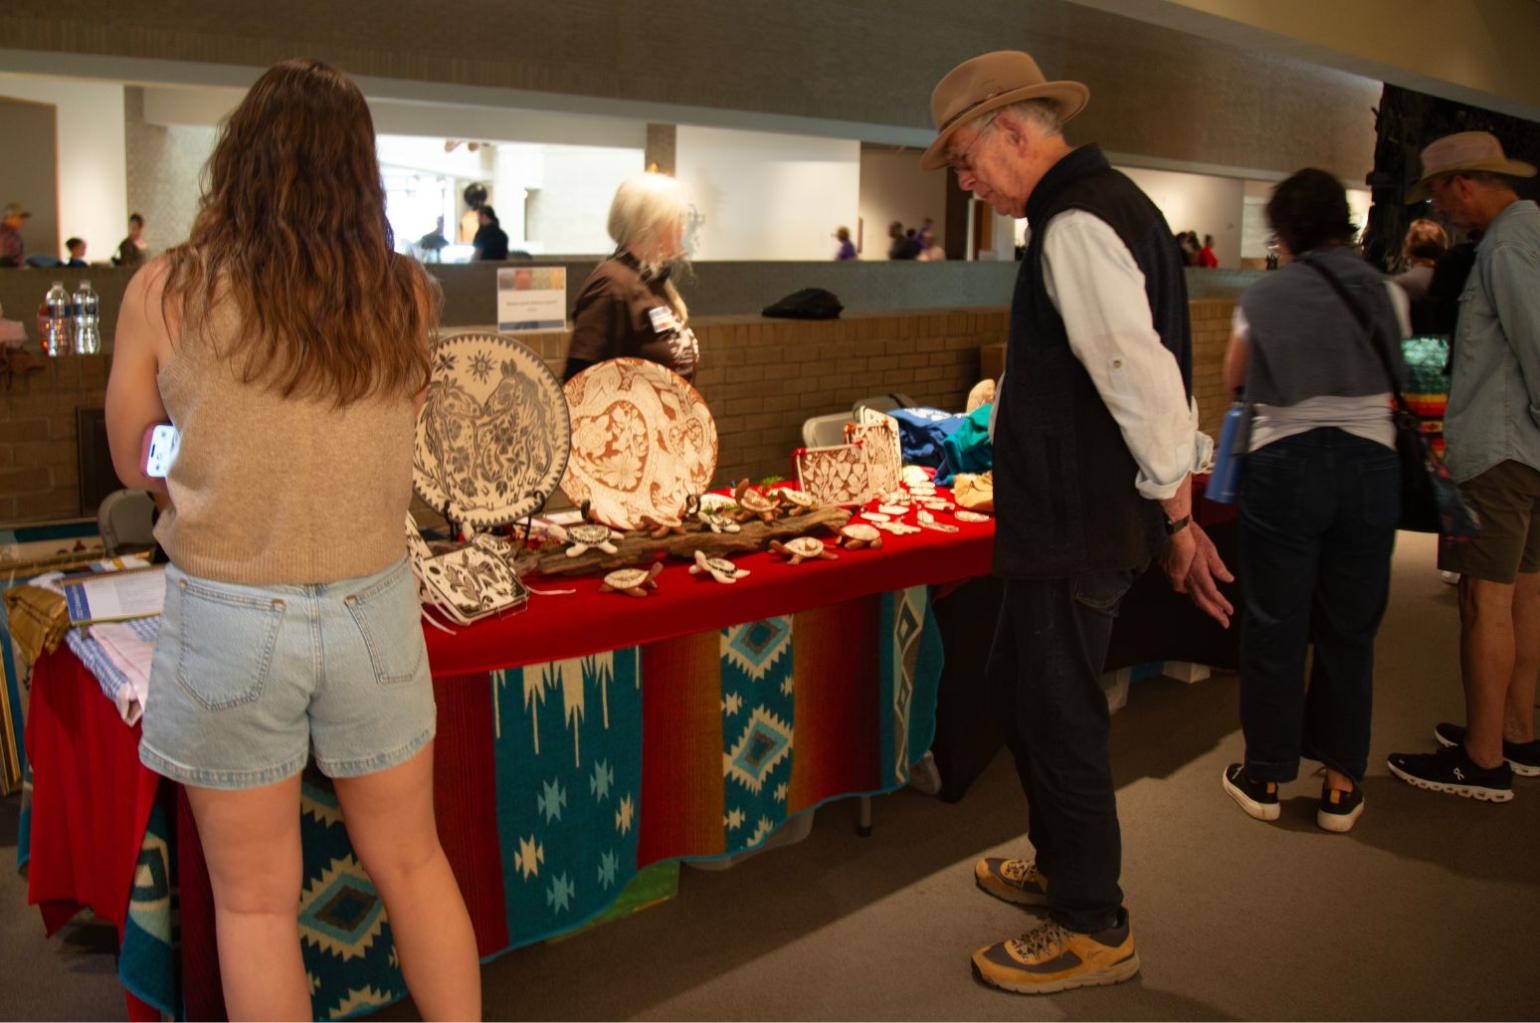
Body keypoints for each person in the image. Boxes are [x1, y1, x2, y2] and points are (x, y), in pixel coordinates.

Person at [102, 59, 480, 1020]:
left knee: (255, 902)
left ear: (240, 158)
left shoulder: (168, 289)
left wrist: (192, 452)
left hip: (228, 610)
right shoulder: (404, 293)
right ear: (360, 172)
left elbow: (134, 454)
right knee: (412, 861)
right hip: (374, 605)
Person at [919, 49, 1231, 995]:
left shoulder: (1075, 222)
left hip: (1079, 521)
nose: (965, 182)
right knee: (1020, 682)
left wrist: (1177, 514)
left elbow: (1141, 379)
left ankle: (1096, 922)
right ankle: (1062, 865)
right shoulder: (1097, 207)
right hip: (1068, 517)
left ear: (1013, 131)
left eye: (967, 162)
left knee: (1059, 713)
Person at [1219, 169, 1409, 834]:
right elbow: (1419, 371)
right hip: (1369, 463)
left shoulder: (1265, 293)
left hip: (1285, 461)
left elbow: (1232, 376)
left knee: (1275, 621)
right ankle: (1341, 783)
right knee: (1349, 627)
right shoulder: (1385, 290)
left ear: (1286, 230)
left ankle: (1266, 772)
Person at [1388, 130, 1540, 800]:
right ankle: (1515, 731)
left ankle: (1483, 760)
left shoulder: (1507, 244)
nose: (1445, 212)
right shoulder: (1524, 234)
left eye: (1443, 195)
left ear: (1464, 183)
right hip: (1520, 447)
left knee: (1486, 601)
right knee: (1525, 594)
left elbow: (1533, 341)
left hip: (1499, 449)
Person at [562, 172, 700, 382]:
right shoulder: (611, 285)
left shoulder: (650, 280)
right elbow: (578, 385)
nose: (683, 228)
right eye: (678, 218)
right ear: (653, 223)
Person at [0, 203, 30, 267]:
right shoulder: (7, 235)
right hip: (8, 274)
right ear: (10, 218)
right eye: (20, 218)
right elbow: (6, 260)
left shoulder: (12, 235)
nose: (23, 221)